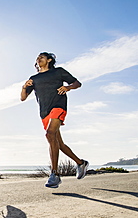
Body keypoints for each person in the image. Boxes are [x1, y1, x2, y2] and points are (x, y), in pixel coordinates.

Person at [21, 52, 89, 188]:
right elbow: (23, 98)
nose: (38, 59)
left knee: (49, 134)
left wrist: (68, 87)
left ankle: (55, 174)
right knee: (58, 143)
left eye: (42, 57)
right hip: (44, 112)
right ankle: (81, 163)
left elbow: (77, 83)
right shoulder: (34, 78)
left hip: (58, 105)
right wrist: (24, 87)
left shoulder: (58, 72)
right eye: (37, 58)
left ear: (49, 60)